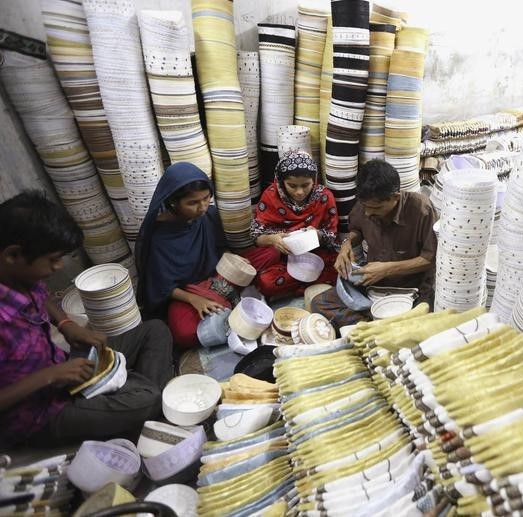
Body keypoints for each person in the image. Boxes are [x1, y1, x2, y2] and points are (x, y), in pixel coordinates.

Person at [0, 191, 173, 446]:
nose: (58, 267)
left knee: (155, 330)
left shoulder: (20, 276)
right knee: (145, 399)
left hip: (63, 366)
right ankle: (137, 398)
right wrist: (49, 376)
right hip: (39, 413)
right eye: (53, 259)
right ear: (13, 254)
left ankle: (130, 397)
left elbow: (42, 296)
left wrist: (66, 324)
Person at [311, 160, 438, 329]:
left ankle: (379, 325)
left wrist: (387, 269)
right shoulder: (366, 203)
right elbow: (356, 229)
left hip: (412, 288)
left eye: (376, 208)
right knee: (320, 303)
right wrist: (346, 245)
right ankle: (373, 326)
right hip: (374, 283)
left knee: (422, 324)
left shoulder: (422, 209)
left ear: (395, 197)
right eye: (364, 206)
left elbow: (431, 259)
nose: (368, 213)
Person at [135, 163, 230, 349]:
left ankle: (227, 303)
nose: (202, 207)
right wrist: (194, 299)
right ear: (173, 203)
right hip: (186, 292)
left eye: (206, 198)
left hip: (216, 278)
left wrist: (233, 261)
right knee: (184, 333)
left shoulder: (209, 215)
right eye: (192, 203)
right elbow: (161, 287)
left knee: (264, 258)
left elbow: (221, 249)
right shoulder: (160, 237)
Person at [244, 150, 339, 297]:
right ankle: (307, 286)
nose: (300, 192)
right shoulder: (271, 195)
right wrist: (272, 239)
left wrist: (318, 235)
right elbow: (256, 236)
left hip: (315, 255)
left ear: (314, 180)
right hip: (282, 257)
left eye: (306, 185)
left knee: (340, 269)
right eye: (292, 186)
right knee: (266, 281)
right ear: (281, 182)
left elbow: (331, 236)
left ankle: (297, 287)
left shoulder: (324, 197)